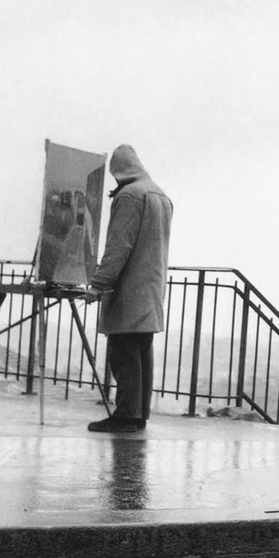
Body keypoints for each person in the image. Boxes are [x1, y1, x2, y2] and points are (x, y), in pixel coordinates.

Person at [85, 144, 173, 433]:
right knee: (141, 351)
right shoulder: (160, 194)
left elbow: (118, 246)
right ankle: (138, 414)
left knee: (123, 353)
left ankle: (125, 414)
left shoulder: (129, 196)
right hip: (151, 287)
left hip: (129, 288)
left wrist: (99, 284)